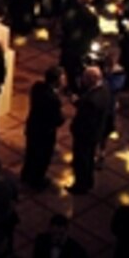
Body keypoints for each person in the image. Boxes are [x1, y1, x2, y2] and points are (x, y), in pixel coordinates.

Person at [22, 65, 66, 190]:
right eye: (62, 78)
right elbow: (58, 120)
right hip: (45, 133)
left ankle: (26, 175)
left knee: (31, 153)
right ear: (56, 80)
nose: (64, 81)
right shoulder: (53, 99)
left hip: (32, 127)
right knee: (42, 158)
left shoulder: (37, 87)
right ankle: (37, 181)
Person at [68, 66, 109, 195]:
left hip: (85, 135)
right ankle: (88, 181)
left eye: (85, 78)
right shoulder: (104, 90)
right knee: (89, 158)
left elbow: (85, 118)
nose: (82, 80)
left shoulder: (91, 101)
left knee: (81, 160)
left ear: (91, 79)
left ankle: (80, 185)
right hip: (96, 133)